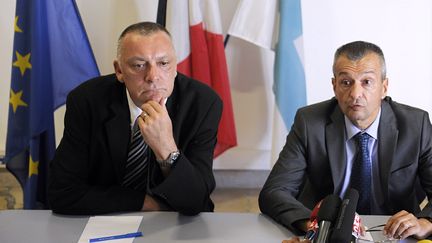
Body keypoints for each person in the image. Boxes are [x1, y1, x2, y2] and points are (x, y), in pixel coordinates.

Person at [259, 41, 432, 240]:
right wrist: (316, 227)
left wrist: (425, 223)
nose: (355, 94)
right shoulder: (309, 122)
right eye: (346, 82)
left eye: (367, 82)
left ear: (384, 87)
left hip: (392, 233)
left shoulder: (415, 125)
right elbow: (274, 191)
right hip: (328, 235)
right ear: (334, 86)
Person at [48, 22, 222, 215]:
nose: (152, 76)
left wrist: (166, 147)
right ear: (119, 71)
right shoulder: (87, 101)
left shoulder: (203, 103)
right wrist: (147, 203)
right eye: (139, 65)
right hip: (108, 220)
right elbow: (61, 192)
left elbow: (196, 201)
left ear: (175, 67)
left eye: (163, 64)